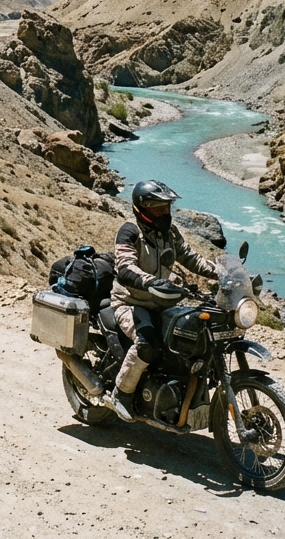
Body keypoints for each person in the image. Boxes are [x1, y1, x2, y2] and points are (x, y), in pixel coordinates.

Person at [102, 180, 219, 422]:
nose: (164, 213)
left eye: (166, 208)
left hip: (163, 301)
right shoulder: (130, 231)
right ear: (142, 209)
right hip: (131, 302)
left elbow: (190, 257)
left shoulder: (169, 232)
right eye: (158, 209)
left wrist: (222, 273)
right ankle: (121, 393)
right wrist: (150, 281)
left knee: (188, 338)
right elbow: (125, 267)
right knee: (148, 344)